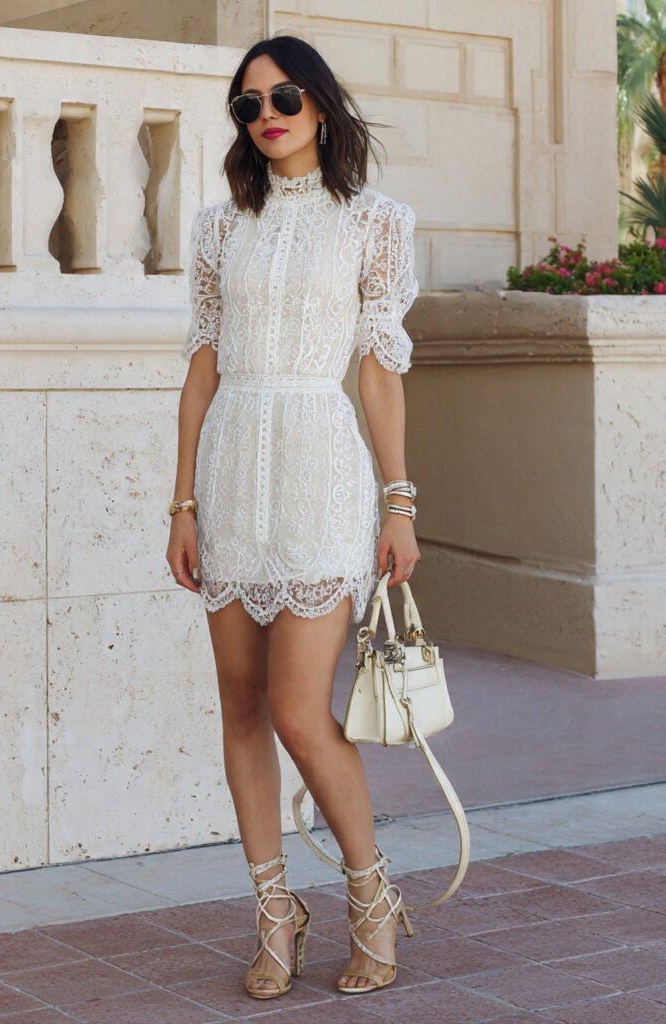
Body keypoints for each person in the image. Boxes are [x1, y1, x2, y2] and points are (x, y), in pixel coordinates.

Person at [165, 33, 421, 1000]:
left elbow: (380, 372)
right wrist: (183, 502)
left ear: (319, 103)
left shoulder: (375, 221)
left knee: (297, 712)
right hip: (232, 473)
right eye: (248, 105)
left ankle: (371, 894)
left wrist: (399, 501)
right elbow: (200, 372)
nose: (266, 116)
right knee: (239, 707)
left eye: (283, 98)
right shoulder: (218, 227)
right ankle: (275, 914)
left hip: (319, 470)